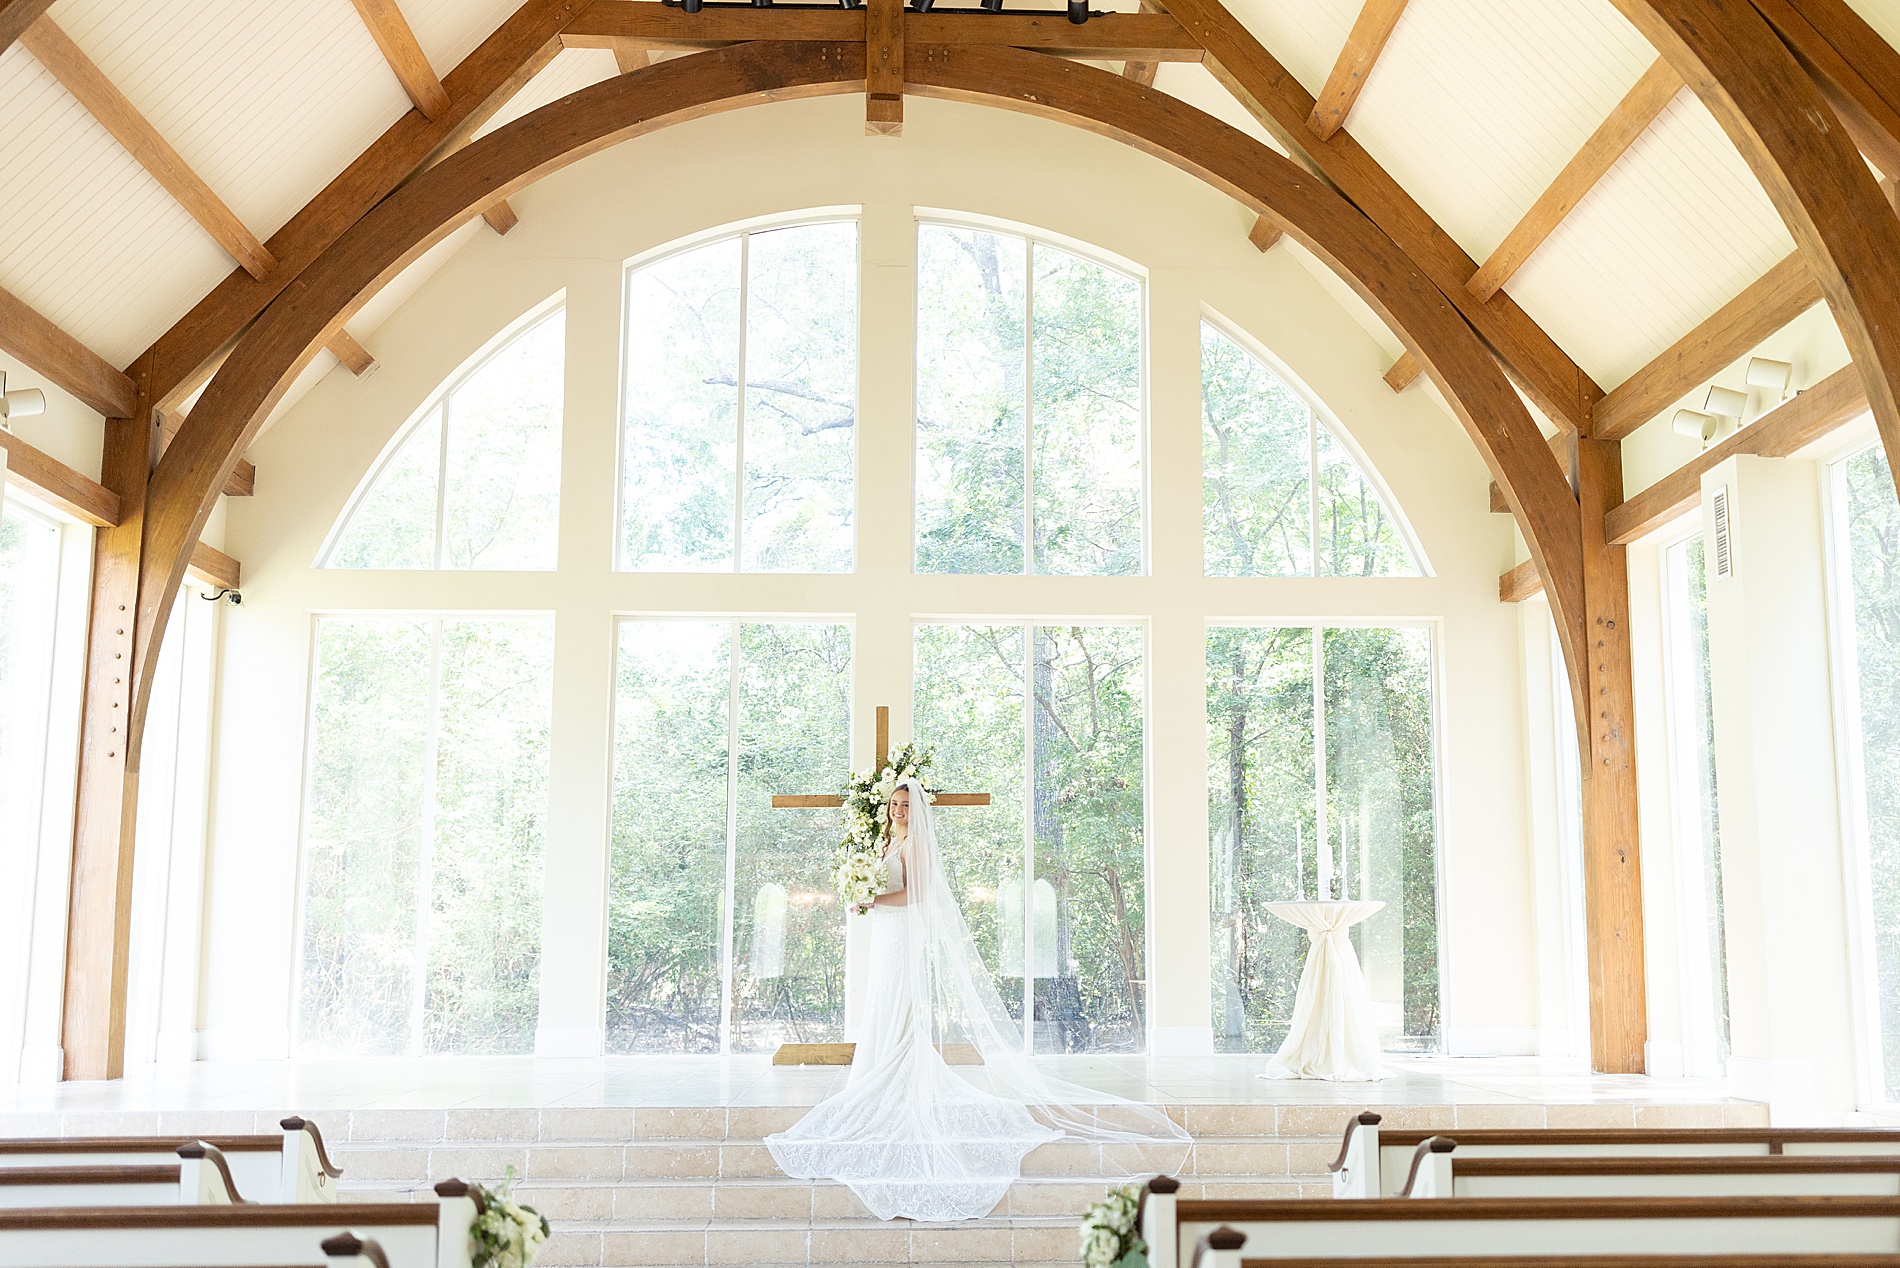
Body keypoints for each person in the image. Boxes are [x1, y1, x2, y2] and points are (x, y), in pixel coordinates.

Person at [765, 777, 1190, 1221]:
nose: (898, 810)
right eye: (894, 803)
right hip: (886, 935)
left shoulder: (913, 847)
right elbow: (881, 888)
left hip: (904, 934)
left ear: (917, 809)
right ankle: (878, 1074)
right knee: (883, 1005)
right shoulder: (887, 843)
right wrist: (860, 897)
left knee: (899, 1008)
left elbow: (918, 894)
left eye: (906, 804)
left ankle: (897, 1078)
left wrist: (873, 896)